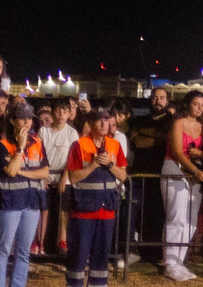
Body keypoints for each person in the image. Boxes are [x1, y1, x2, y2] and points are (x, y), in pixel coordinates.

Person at [66, 106, 129, 287]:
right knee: (78, 256)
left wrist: (109, 165)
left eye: (106, 119)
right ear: (90, 124)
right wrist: (93, 166)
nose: (103, 124)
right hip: (83, 210)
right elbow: (73, 177)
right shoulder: (79, 145)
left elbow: (123, 176)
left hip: (106, 209)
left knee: (101, 258)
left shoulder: (115, 145)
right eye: (99, 120)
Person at [0, 102, 47, 287]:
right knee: (3, 249)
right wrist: (20, 148)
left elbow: (45, 172)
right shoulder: (3, 144)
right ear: (13, 121)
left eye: (29, 118)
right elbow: (11, 171)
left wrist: (24, 173)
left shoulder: (38, 142)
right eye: (22, 118)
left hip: (31, 203)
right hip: (9, 204)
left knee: (23, 252)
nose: (26, 122)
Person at [162, 90, 203, 282]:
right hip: (175, 169)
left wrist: (201, 157)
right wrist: (195, 170)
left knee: (190, 219)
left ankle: (179, 260)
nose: (200, 107)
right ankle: (170, 263)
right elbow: (177, 151)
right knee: (175, 217)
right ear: (187, 104)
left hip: (194, 173)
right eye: (196, 104)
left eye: (202, 105)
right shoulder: (178, 122)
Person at [130, 88, 176, 270]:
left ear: (168, 100)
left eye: (162, 97)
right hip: (141, 175)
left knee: (159, 215)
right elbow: (136, 141)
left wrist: (145, 134)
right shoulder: (139, 120)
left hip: (161, 173)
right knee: (141, 215)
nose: (158, 100)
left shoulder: (171, 122)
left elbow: (165, 139)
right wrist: (155, 137)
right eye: (155, 97)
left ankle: (158, 254)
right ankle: (143, 253)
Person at [39, 98, 81, 256]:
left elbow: (73, 157)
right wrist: (42, 176)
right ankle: (43, 242)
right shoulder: (44, 131)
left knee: (63, 210)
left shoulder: (71, 132)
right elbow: (40, 154)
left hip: (65, 175)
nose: (61, 114)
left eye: (65, 111)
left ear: (69, 113)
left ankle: (62, 241)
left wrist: (65, 177)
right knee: (46, 209)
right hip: (47, 174)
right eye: (58, 110)